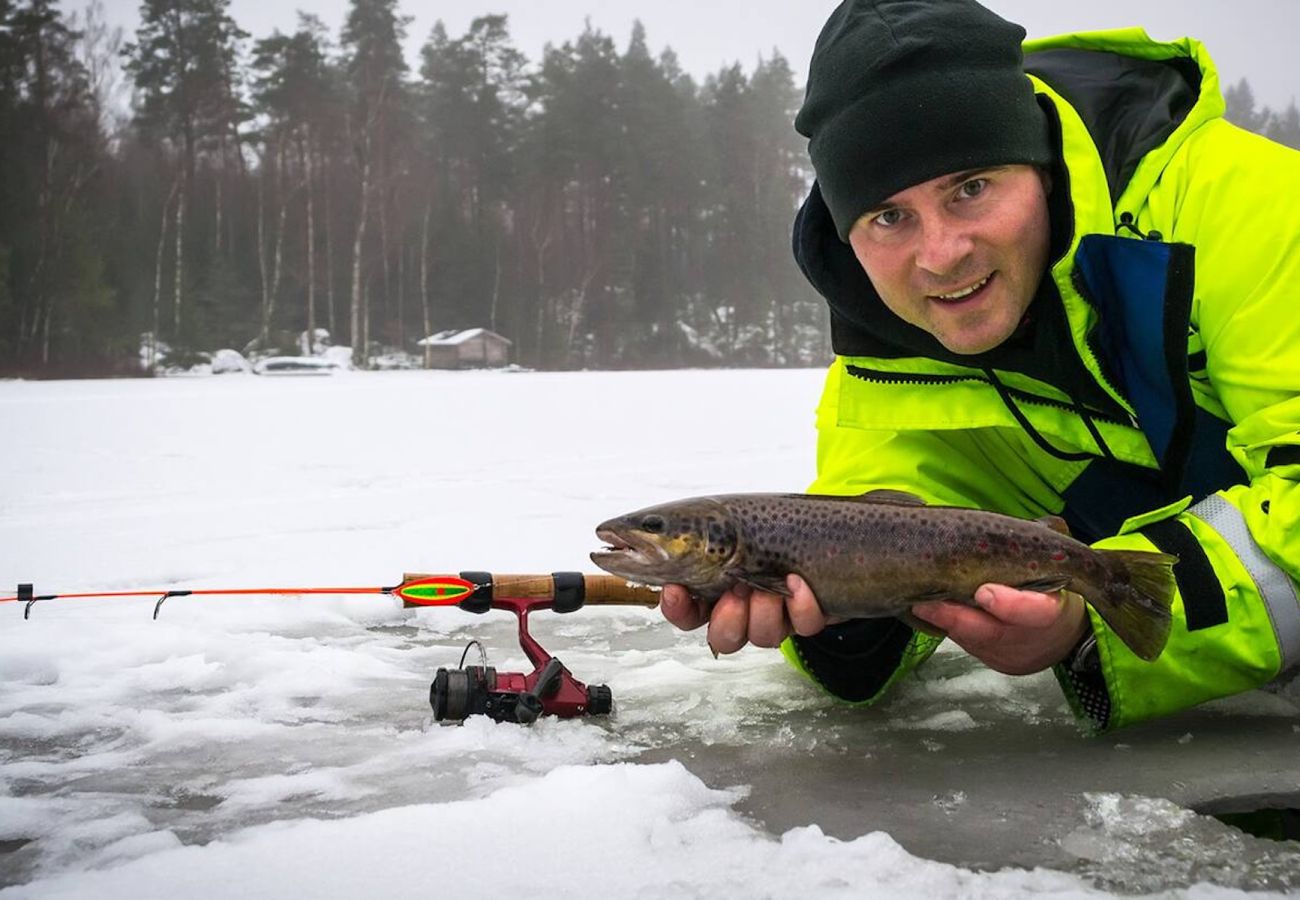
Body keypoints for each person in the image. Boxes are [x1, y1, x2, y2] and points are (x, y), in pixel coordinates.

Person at [661, 0, 1300, 732]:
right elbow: (862, 533)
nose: (941, 254)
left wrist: (1083, 627)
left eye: (970, 188)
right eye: (888, 217)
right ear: (848, 234)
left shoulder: (1255, 208)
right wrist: (844, 626)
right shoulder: (885, 367)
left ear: (1040, 166)